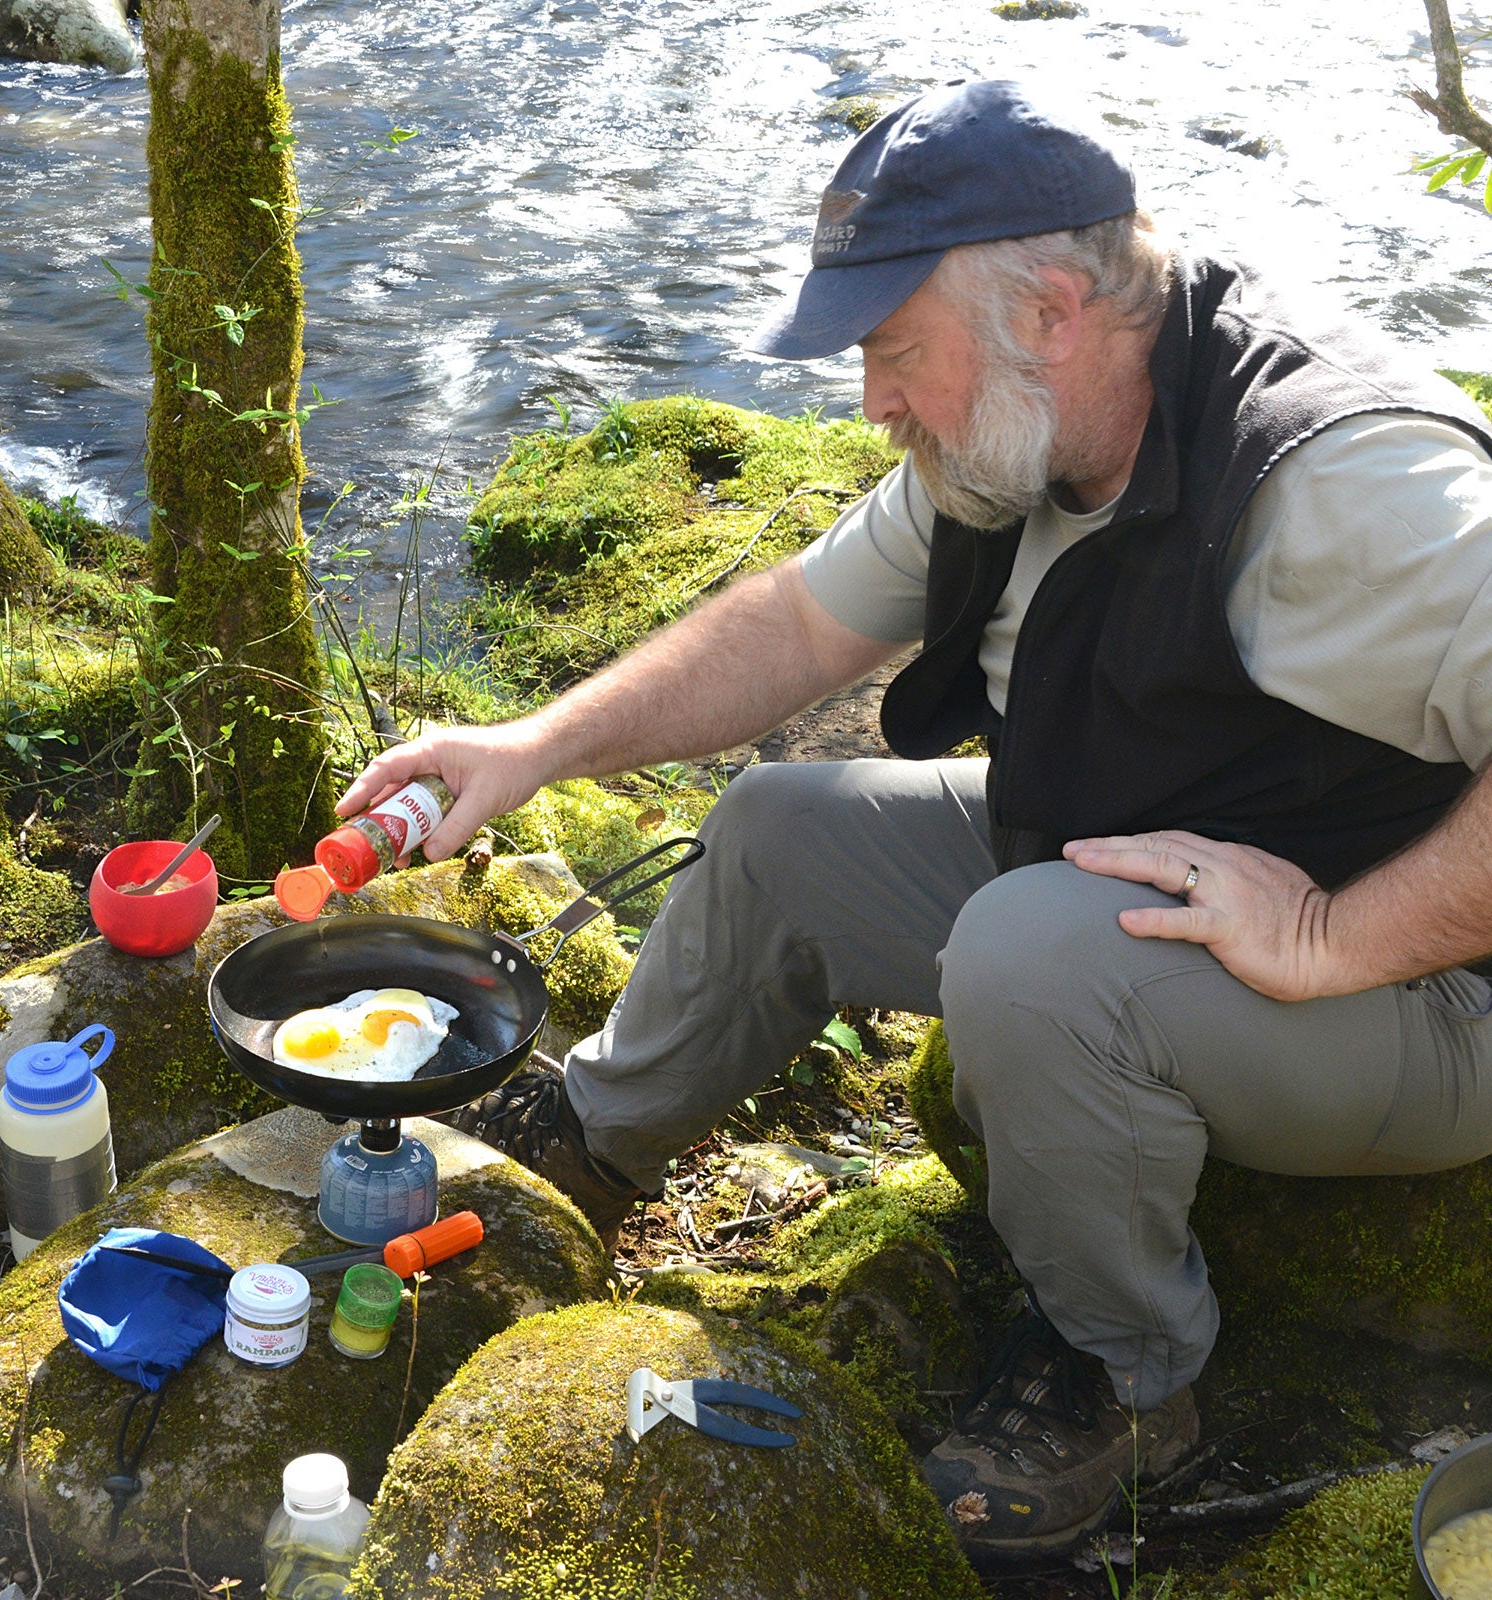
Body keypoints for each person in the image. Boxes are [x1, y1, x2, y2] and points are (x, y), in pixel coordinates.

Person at [338, 79, 1492, 1568]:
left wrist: (1338, 933)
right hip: (1138, 865)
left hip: (1426, 988)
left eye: (892, 350)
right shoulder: (1014, 437)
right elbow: (795, 629)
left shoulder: (1342, 484)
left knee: (1029, 959)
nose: (871, 398)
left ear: (1055, 307)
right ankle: (593, 1146)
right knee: (775, 831)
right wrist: (536, 744)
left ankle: (1129, 1377)